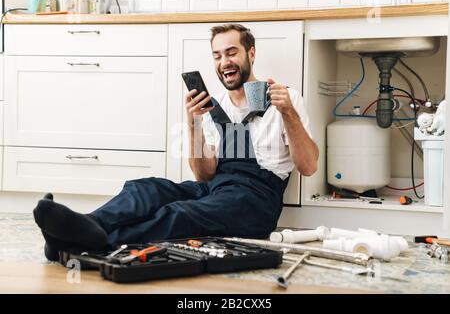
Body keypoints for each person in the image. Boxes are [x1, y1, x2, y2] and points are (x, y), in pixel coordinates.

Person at [33, 23, 319, 261]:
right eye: (217, 56)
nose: (224, 62)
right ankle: (86, 225)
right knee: (146, 189)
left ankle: (78, 243)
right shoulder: (214, 105)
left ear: (251, 53)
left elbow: (308, 166)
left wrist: (288, 113)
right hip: (216, 187)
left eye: (232, 52)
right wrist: (193, 122)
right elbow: (203, 174)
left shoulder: (285, 98)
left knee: (180, 215)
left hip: (255, 200)